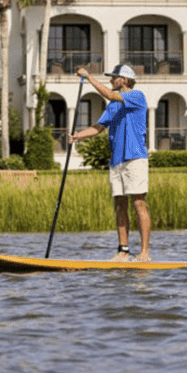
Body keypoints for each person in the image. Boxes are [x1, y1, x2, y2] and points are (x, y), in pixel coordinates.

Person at [69, 64, 152, 262]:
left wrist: (89, 78)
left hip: (135, 157)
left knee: (139, 203)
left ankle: (144, 254)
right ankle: (123, 251)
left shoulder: (137, 96)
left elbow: (111, 95)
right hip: (117, 160)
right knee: (120, 205)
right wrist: (77, 136)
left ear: (124, 80)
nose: (111, 81)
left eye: (114, 77)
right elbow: (98, 127)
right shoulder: (113, 105)